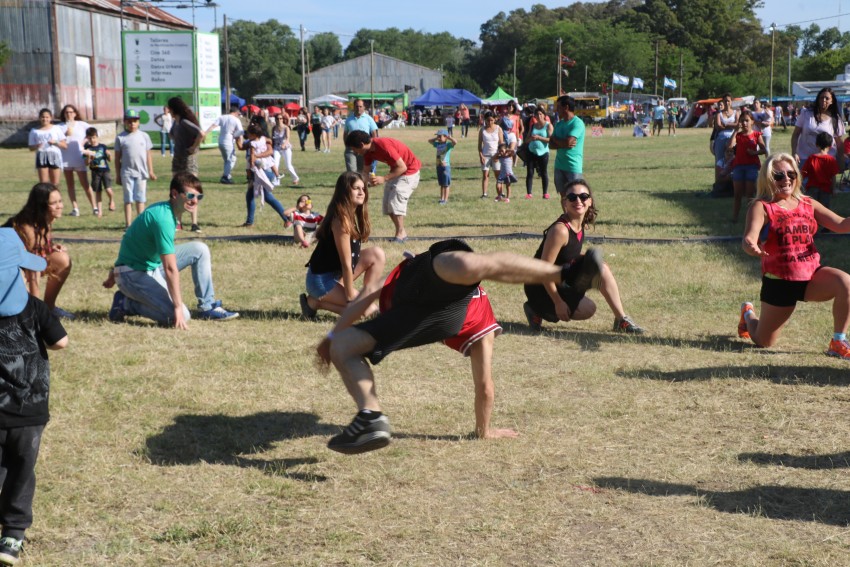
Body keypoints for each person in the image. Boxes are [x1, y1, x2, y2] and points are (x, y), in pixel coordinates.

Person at [315, 237, 605, 454]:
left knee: (341, 345)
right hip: (434, 313)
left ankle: (566, 275)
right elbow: (485, 386)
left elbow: (367, 296)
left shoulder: (469, 309)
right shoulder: (481, 322)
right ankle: (371, 418)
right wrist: (484, 431)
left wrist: (330, 338)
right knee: (478, 264)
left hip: (420, 299)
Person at [738, 153, 850, 360]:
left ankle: (838, 341)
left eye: (791, 174)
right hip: (779, 281)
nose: (786, 179)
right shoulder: (762, 206)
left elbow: (842, 225)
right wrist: (751, 246)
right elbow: (749, 238)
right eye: (779, 175)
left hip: (811, 276)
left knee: (845, 282)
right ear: (768, 178)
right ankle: (747, 314)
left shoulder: (808, 203)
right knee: (764, 341)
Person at [0, 228, 68, 566]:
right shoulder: (34, 307)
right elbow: (60, 342)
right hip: (30, 412)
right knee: (22, 469)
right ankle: (13, 532)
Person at [103, 173, 239, 328]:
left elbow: (135, 242)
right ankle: (126, 304)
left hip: (147, 266)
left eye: (198, 197)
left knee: (200, 249)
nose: (195, 201)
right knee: (182, 316)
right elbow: (169, 268)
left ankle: (207, 307)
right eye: (190, 195)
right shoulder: (163, 219)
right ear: (175, 194)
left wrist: (115, 270)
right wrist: (177, 307)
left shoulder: (169, 211)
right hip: (132, 273)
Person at [522, 179, 645, 335]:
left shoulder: (580, 224)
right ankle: (536, 310)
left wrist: (589, 262)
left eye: (583, 196)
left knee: (600, 267)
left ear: (590, 201)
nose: (578, 201)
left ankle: (621, 320)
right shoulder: (560, 231)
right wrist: (558, 303)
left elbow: (567, 254)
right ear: (564, 202)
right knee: (586, 310)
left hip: (561, 279)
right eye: (572, 197)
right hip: (540, 287)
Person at [300, 172, 386, 319]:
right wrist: (350, 295)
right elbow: (346, 263)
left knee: (377, 254)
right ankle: (315, 302)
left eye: (363, 188)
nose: (361, 192)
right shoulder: (341, 220)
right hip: (320, 281)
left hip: (336, 275)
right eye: (356, 188)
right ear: (345, 191)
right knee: (370, 313)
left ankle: (364, 298)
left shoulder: (351, 215)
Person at [3, 183, 75, 320]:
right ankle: (36, 312)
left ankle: (49, 307)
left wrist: (50, 247)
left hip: (17, 268)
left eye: (60, 201)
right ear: (41, 206)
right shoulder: (26, 227)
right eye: (54, 203)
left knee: (62, 259)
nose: (60, 206)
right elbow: (32, 268)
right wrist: (37, 310)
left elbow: (37, 251)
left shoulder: (44, 219)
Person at [345, 130, 421, 243]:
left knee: (395, 199)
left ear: (361, 144)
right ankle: (402, 233)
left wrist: (384, 178)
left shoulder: (384, 146)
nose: (355, 152)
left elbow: (403, 167)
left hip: (410, 171)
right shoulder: (367, 153)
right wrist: (359, 186)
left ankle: (400, 234)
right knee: (388, 204)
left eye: (354, 149)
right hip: (397, 171)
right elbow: (365, 172)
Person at [240, 124, 289, 229]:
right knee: (253, 196)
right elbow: (241, 147)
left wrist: (252, 165)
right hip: (268, 171)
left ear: (253, 134)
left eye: (248, 133)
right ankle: (249, 222)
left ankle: (287, 219)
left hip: (260, 172)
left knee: (265, 197)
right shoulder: (263, 139)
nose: (247, 134)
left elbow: (254, 156)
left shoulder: (253, 143)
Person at [167, 97, 205, 233]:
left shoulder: (184, 122)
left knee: (192, 191)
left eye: (169, 108)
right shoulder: (175, 123)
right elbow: (171, 135)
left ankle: (194, 223)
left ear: (172, 109)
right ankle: (178, 222)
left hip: (188, 160)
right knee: (177, 191)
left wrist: (193, 147)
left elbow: (201, 133)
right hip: (177, 159)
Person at [114, 110, 157, 229]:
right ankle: (128, 224)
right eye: (129, 121)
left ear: (138, 122)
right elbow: (117, 158)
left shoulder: (144, 136)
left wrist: (151, 171)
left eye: (135, 121)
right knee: (128, 199)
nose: (132, 124)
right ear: (125, 122)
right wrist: (118, 175)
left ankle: (141, 223)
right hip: (127, 173)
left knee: (140, 198)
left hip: (141, 173)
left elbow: (148, 155)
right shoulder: (120, 138)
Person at [792, 87, 846, 176]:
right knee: (804, 186)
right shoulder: (806, 113)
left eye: (827, 98)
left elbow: (839, 143)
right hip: (804, 158)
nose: (824, 100)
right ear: (818, 99)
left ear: (832, 101)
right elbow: (795, 135)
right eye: (821, 97)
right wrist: (794, 152)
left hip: (826, 161)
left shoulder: (835, 119)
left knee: (824, 187)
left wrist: (841, 160)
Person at [726, 110, 766, 223]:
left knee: (749, 194)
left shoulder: (756, 135)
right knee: (737, 194)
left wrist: (755, 153)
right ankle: (735, 217)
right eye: (742, 121)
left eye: (747, 120)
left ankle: (750, 218)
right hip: (738, 166)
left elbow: (764, 150)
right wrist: (735, 131)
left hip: (752, 167)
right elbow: (730, 146)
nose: (744, 123)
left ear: (752, 121)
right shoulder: (738, 135)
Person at [57, 104, 96, 217]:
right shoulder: (60, 127)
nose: (69, 114)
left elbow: (94, 133)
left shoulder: (82, 125)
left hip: (79, 158)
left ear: (75, 113)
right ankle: (75, 208)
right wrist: (64, 135)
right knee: (70, 185)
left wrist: (84, 142)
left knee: (85, 184)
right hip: (66, 158)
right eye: (66, 112)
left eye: (71, 112)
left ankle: (94, 207)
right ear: (63, 114)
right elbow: (56, 141)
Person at [549, 95, 586, 195]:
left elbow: (568, 142)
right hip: (559, 166)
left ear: (566, 107)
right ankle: (566, 212)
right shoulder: (559, 124)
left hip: (573, 166)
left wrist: (557, 141)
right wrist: (562, 143)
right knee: (563, 197)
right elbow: (550, 145)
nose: (557, 110)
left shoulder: (577, 123)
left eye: (559, 107)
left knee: (576, 196)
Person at [204, 106, 243, 185]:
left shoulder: (222, 117)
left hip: (221, 140)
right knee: (231, 160)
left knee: (227, 160)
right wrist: (240, 142)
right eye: (238, 114)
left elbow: (212, 126)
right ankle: (225, 176)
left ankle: (227, 175)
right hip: (229, 141)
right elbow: (240, 132)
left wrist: (205, 133)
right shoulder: (236, 120)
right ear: (236, 112)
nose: (238, 115)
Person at [28, 108, 67, 188]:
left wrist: (55, 142)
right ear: (39, 118)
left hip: (54, 156)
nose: (45, 119)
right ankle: (45, 200)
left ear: (51, 118)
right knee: (43, 184)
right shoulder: (34, 131)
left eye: (47, 117)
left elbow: (65, 145)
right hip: (41, 156)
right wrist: (36, 146)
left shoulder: (56, 128)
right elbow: (31, 148)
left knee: (55, 184)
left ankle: (55, 199)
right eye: (43, 117)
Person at [82, 127, 116, 217]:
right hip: (95, 172)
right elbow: (86, 163)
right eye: (90, 138)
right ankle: (99, 211)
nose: (92, 140)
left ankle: (111, 200)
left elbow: (110, 159)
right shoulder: (86, 148)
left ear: (97, 137)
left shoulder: (103, 147)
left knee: (108, 189)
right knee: (98, 191)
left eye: (93, 137)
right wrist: (89, 156)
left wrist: (109, 155)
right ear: (87, 138)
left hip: (105, 171)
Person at [801, 132, 840, 209]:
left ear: (816, 144)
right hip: (826, 189)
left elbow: (803, 173)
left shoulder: (811, 158)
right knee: (824, 210)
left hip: (812, 188)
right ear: (830, 146)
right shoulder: (831, 160)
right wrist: (834, 188)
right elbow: (833, 177)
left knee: (811, 208)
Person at [524, 105, 553, 199]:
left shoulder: (548, 125)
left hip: (543, 152)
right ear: (535, 116)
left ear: (544, 115)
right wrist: (531, 139)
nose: (539, 116)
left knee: (543, 172)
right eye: (537, 114)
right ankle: (529, 193)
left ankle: (545, 193)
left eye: (540, 114)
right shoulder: (533, 126)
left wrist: (539, 138)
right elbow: (526, 140)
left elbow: (551, 140)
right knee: (530, 172)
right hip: (531, 151)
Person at [343, 98, 379, 172]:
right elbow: (345, 134)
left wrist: (371, 146)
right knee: (351, 170)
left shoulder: (369, 119)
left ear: (364, 107)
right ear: (354, 107)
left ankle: (361, 183)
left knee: (362, 169)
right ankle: (353, 183)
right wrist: (347, 145)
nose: (358, 108)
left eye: (360, 106)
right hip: (351, 148)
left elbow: (374, 133)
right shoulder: (349, 119)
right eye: (356, 106)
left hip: (363, 148)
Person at [477, 111, 504, 199]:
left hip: (496, 155)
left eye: (492, 120)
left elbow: (501, 144)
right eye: (488, 120)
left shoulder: (498, 129)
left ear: (495, 119)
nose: (490, 122)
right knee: (485, 174)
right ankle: (484, 193)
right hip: (485, 155)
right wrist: (481, 156)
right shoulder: (482, 130)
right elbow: (479, 145)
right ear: (485, 120)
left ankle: (501, 192)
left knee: (498, 175)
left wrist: (499, 154)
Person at [427, 128, 457, 204]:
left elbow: (455, 142)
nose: (439, 138)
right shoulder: (437, 144)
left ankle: (445, 200)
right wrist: (436, 138)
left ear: (445, 137)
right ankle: (441, 198)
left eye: (440, 137)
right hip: (439, 165)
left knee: (446, 184)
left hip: (445, 167)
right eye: (438, 136)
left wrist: (449, 137)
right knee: (441, 184)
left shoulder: (448, 145)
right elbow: (429, 141)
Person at [271, 111, 300, 185]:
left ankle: (295, 178)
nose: (279, 120)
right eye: (277, 118)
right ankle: (276, 181)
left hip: (285, 148)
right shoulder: (274, 128)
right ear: (275, 119)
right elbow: (272, 139)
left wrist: (284, 144)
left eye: (281, 118)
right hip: (276, 148)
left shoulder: (286, 128)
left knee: (288, 166)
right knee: (275, 164)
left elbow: (287, 138)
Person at [495, 117, 518, 203]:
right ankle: (500, 195)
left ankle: (507, 197)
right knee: (498, 183)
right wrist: (499, 153)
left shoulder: (511, 135)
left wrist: (506, 151)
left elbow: (513, 151)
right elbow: (494, 157)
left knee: (508, 185)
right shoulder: (499, 133)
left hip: (508, 170)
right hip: (501, 171)